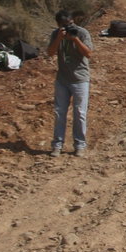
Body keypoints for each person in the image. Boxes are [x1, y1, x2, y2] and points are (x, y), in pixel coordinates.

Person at [47, 9, 93, 157]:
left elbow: (88, 53)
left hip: (80, 79)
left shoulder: (82, 33)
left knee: (80, 113)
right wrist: (59, 38)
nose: (69, 27)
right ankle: (57, 145)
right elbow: (50, 53)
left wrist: (75, 39)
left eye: (71, 23)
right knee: (60, 113)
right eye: (65, 25)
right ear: (59, 25)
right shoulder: (56, 34)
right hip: (62, 79)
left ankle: (79, 145)